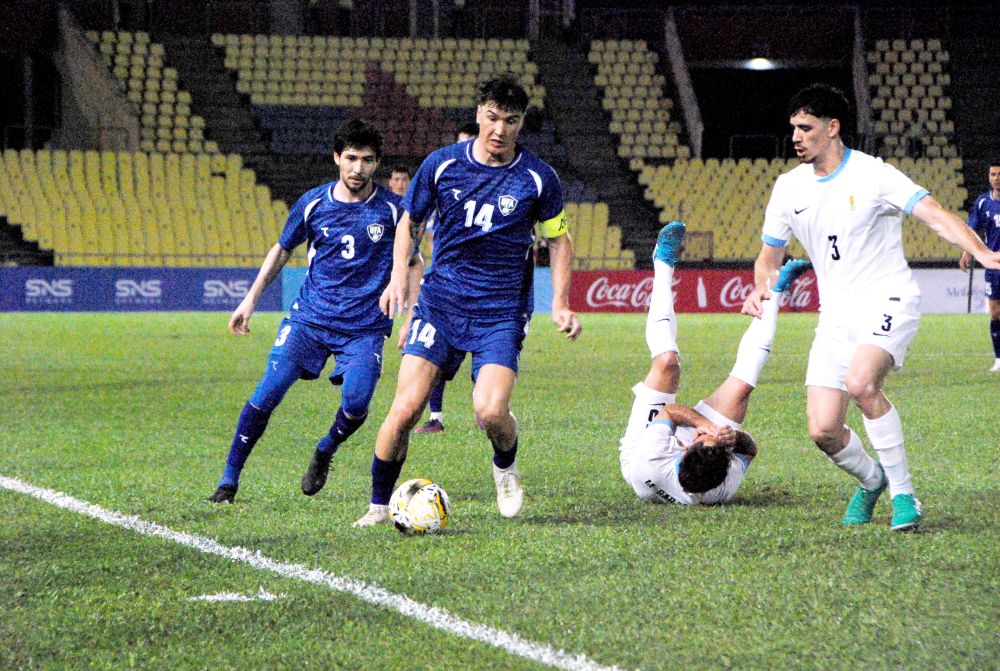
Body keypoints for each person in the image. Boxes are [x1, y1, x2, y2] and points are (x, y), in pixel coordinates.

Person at [742, 84, 1000, 530]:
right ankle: (871, 479)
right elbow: (768, 255)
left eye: (805, 127)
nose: (796, 137)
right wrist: (760, 285)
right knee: (823, 430)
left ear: (833, 127)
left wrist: (983, 253)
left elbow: (935, 213)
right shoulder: (788, 188)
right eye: (793, 129)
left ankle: (906, 496)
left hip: (889, 298)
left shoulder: (874, 175)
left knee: (862, 384)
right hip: (835, 316)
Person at [356, 75, 582, 526]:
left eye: (511, 121)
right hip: (440, 304)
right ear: (479, 113)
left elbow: (558, 239)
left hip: (500, 311)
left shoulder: (538, 178)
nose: (499, 129)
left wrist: (559, 301)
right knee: (404, 410)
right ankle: (379, 506)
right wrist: (399, 275)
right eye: (493, 117)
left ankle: (505, 467)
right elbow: (409, 222)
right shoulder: (441, 165)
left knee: (490, 411)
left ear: (521, 125)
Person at [205, 119, 410, 504]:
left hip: (364, 327)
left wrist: (410, 309)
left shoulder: (394, 211)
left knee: (357, 402)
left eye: (367, 160)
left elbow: (411, 262)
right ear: (336, 158)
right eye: (350, 158)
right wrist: (250, 300)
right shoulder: (313, 202)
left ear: (377, 163)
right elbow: (282, 249)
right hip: (310, 321)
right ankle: (228, 481)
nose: (357, 168)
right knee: (268, 392)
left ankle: (326, 447)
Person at [620, 221, 812, 505]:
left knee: (667, 364)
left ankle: (662, 262)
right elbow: (749, 452)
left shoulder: (648, 462)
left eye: (700, 438)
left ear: (684, 448)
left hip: (641, 447)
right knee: (742, 388)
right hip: (695, 454)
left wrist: (704, 426)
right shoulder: (721, 485)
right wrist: (732, 438)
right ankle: (777, 291)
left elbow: (671, 413)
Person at [415, 121, 481, 435]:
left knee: (484, 360)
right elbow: (421, 230)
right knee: (437, 357)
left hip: (484, 288)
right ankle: (436, 417)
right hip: (446, 284)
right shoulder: (445, 181)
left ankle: (485, 410)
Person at [959, 161, 1000, 372]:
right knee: (995, 313)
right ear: (989, 177)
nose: (996, 178)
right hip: (993, 266)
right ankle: (999, 359)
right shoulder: (983, 202)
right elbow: (972, 230)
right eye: (993, 174)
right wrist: (967, 252)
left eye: (999, 174)